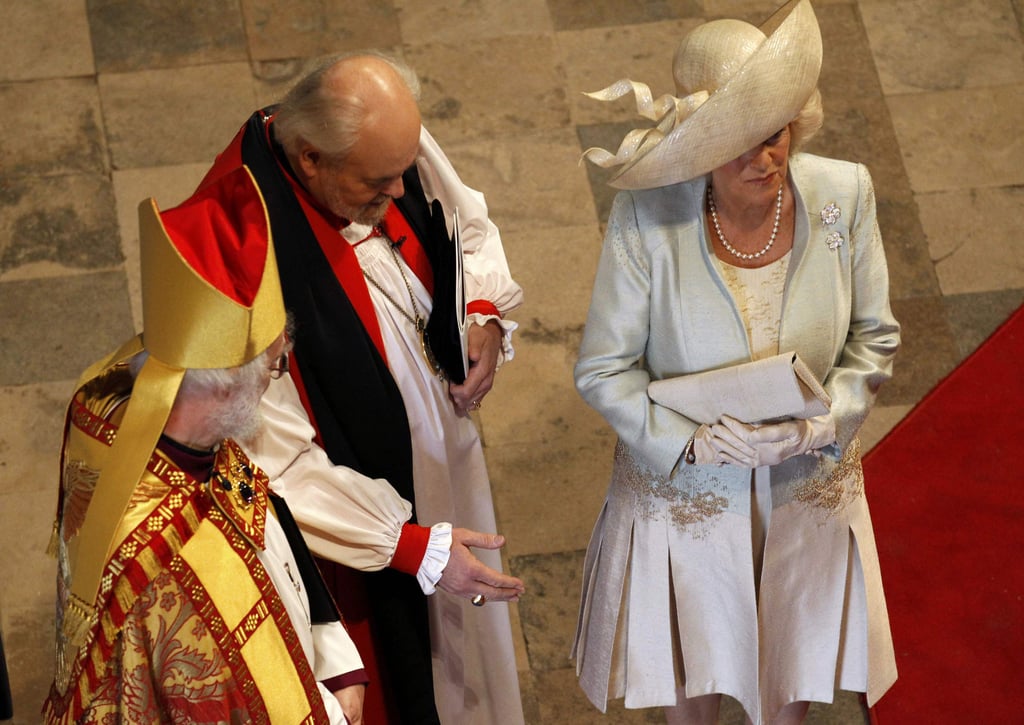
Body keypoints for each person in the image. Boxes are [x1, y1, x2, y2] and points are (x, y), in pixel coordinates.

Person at [571, 1, 901, 723]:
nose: (766, 158)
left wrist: (821, 427)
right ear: (697, 148)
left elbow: (874, 337)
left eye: (777, 131)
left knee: (789, 686)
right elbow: (603, 370)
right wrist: (687, 441)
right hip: (689, 507)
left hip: (802, 493)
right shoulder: (646, 221)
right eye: (740, 143)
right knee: (696, 696)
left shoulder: (845, 195)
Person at [199, 52, 526, 724]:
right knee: (418, 680)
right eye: (377, 186)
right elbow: (271, 461)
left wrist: (483, 311)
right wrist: (408, 544)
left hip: (445, 467)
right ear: (311, 159)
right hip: (360, 535)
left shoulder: (383, 144)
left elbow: (463, 225)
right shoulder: (243, 245)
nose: (399, 193)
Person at [43, 167, 367, 724]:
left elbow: (266, 522)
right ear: (223, 384)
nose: (277, 378)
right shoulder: (169, 568)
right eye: (273, 365)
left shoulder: (103, 402)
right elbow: (235, 702)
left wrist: (334, 658)